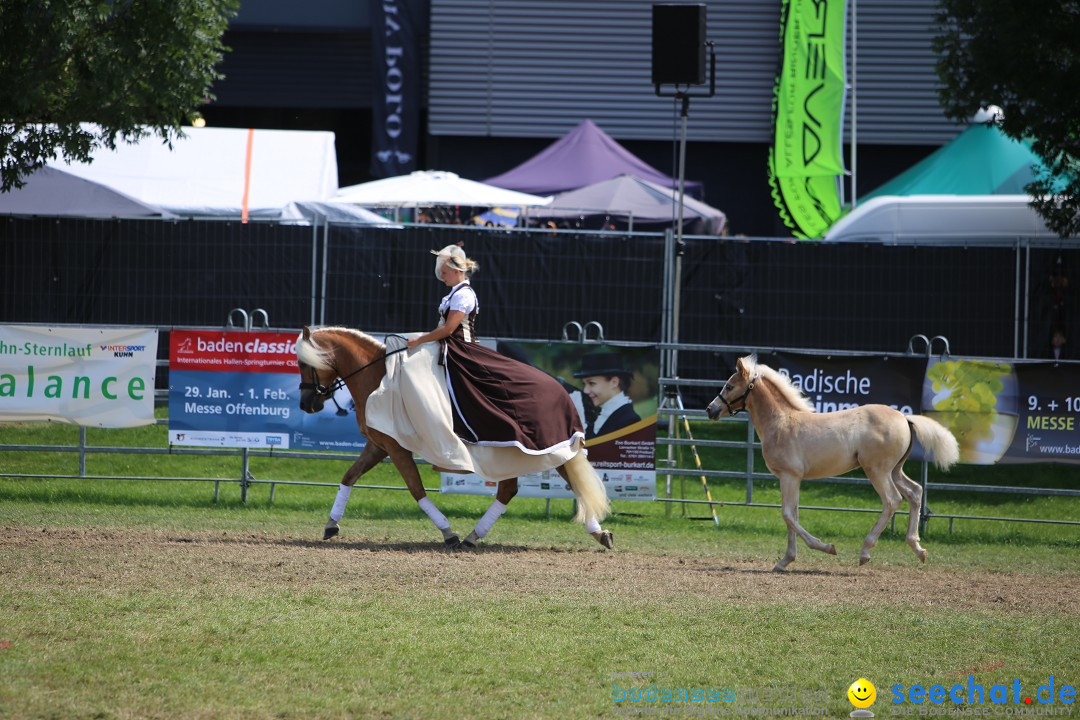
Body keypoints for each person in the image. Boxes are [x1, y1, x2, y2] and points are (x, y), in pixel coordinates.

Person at [407, 244, 611, 547]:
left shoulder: (464, 294)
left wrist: (419, 340)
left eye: (444, 271)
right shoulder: (452, 293)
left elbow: (450, 329)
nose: (441, 276)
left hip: (462, 354)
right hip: (448, 353)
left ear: (455, 269)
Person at [573, 352, 641, 440]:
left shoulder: (629, 420)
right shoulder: (599, 414)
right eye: (584, 384)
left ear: (614, 382)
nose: (585, 390)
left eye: (592, 383)